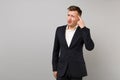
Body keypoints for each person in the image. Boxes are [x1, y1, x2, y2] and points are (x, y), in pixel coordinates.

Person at [52, 5, 94, 80]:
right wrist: (55, 68)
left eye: (72, 16)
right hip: (61, 71)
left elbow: (90, 47)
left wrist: (83, 28)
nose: (69, 18)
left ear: (78, 18)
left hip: (77, 70)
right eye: (68, 15)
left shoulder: (84, 31)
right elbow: (55, 50)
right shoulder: (59, 30)